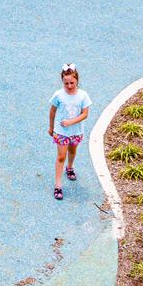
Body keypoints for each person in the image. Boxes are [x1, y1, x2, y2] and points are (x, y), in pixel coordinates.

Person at [47, 63, 92, 200]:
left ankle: (70, 167)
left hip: (76, 131)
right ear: (62, 82)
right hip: (61, 132)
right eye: (66, 83)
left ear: (77, 80)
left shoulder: (83, 95)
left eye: (72, 82)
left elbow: (85, 114)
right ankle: (58, 185)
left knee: (72, 151)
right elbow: (52, 111)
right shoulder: (58, 95)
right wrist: (51, 127)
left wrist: (71, 122)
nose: (69, 86)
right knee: (61, 156)